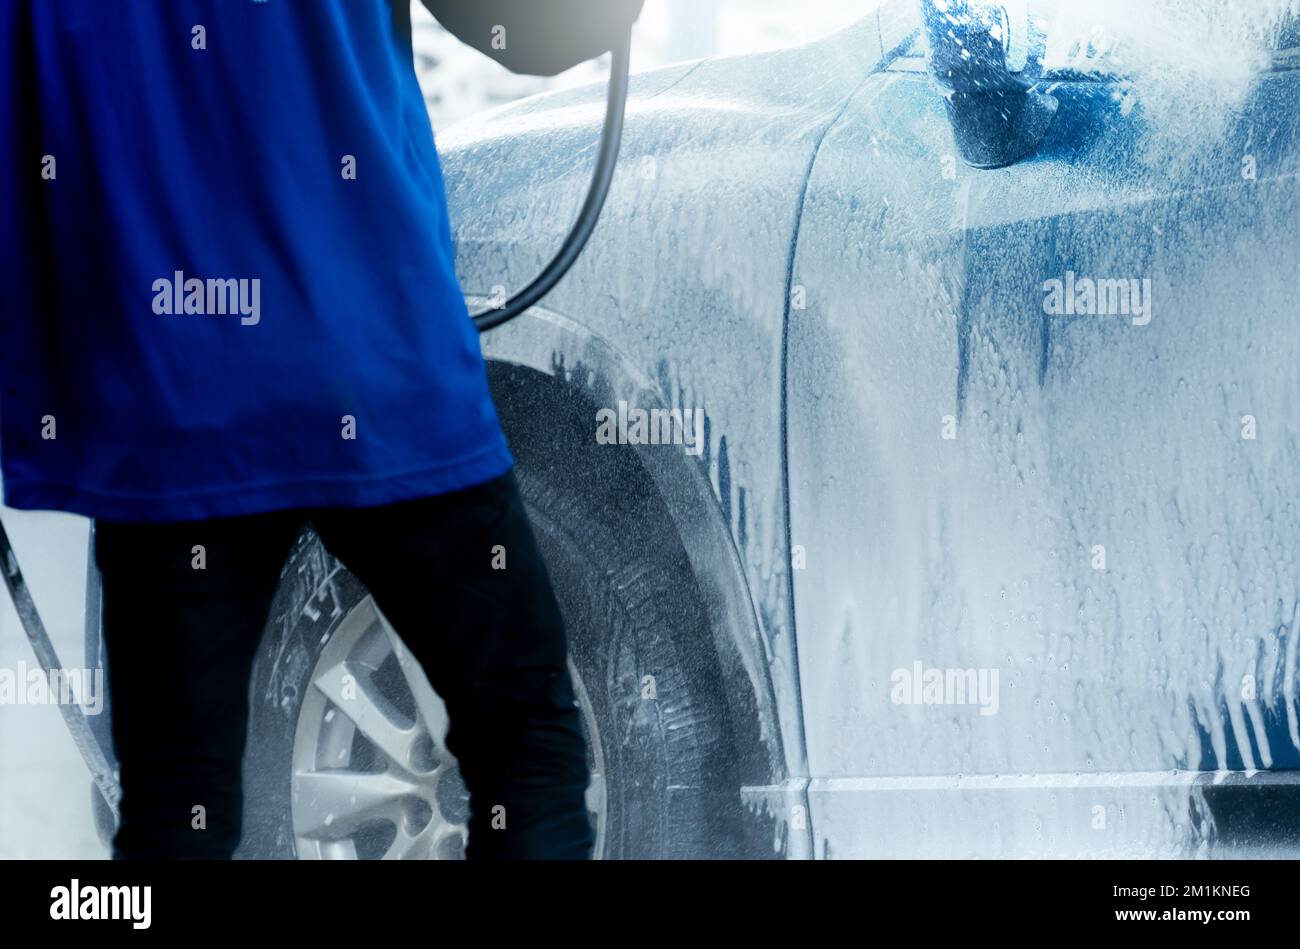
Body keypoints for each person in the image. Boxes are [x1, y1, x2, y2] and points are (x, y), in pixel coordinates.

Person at [0, 0, 643, 860]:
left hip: (171, 405)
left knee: (175, 805)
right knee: (526, 749)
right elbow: (527, 29)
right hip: (374, 371)